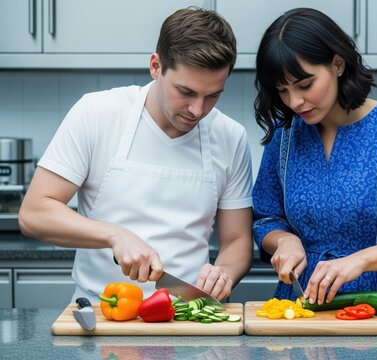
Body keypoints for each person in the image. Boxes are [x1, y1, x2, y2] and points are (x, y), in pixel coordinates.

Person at [18, 7, 254, 302]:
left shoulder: (230, 137)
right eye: (186, 92)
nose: (198, 109)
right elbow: (34, 213)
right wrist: (114, 235)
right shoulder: (97, 113)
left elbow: (237, 240)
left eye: (213, 95)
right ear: (156, 66)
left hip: (189, 316)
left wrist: (224, 275)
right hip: (103, 312)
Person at [252, 8, 377, 305]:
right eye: (282, 90)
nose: (294, 101)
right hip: (305, 308)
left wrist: (360, 260)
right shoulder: (286, 136)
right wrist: (285, 240)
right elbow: (265, 218)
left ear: (337, 64)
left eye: (305, 84)